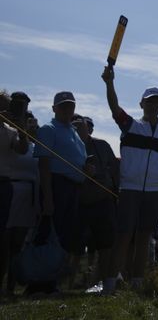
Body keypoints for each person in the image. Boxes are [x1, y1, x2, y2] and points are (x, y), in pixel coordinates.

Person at [101, 66, 158, 293]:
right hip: (130, 188)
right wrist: (109, 83)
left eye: (157, 101)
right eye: (149, 101)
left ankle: (137, 283)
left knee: (144, 238)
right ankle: (110, 285)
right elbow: (114, 107)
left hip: (155, 192)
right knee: (123, 236)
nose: (153, 105)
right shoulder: (130, 125)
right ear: (141, 104)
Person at [31, 91, 91, 294]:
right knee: (48, 233)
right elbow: (44, 164)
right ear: (54, 108)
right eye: (63, 106)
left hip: (73, 187)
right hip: (56, 185)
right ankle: (37, 281)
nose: (67, 110)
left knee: (63, 235)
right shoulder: (49, 129)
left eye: (71, 106)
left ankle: (50, 281)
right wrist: (47, 196)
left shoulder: (74, 133)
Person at [72, 114, 119, 290]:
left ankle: (103, 282)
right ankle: (69, 282)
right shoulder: (68, 146)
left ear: (88, 127)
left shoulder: (102, 145)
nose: (78, 128)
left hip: (103, 201)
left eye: (81, 125)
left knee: (105, 244)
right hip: (77, 202)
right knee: (74, 245)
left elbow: (115, 170)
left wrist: (116, 193)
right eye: (74, 125)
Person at [0, 91, 36, 294]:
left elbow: (21, 149)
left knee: (9, 241)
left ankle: (8, 287)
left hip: (5, 186)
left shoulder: (9, 130)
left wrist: (22, 130)